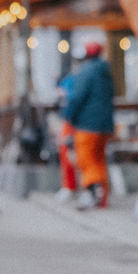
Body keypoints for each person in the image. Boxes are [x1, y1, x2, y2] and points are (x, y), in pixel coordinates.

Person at [63, 41, 114, 210]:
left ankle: (94, 190)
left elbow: (76, 97)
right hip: (105, 125)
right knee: (99, 159)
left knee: (86, 159)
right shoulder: (105, 71)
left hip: (87, 124)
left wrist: (69, 116)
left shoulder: (86, 71)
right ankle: (102, 197)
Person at [55, 70, 79, 203]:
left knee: (75, 156)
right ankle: (70, 186)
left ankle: (76, 187)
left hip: (76, 123)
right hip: (72, 122)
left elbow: (72, 100)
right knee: (67, 154)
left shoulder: (75, 80)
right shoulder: (71, 78)